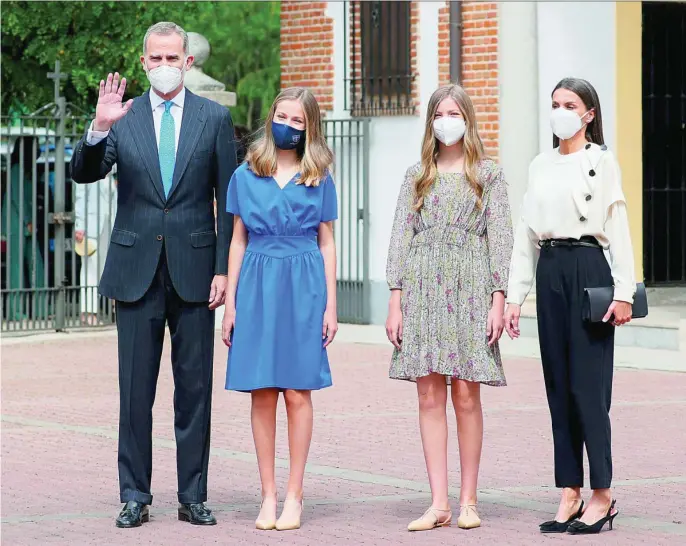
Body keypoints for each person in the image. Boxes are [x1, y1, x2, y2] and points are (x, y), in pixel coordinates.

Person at [70, 21, 237, 528]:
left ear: (188, 62)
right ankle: (135, 494)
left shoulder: (214, 118)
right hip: (136, 269)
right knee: (135, 391)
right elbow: (84, 170)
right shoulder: (123, 117)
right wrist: (98, 128)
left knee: (194, 391)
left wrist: (224, 271)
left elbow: (228, 203)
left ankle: (193, 495)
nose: (165, 66)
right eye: (156, 59)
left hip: (195, 271)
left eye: (173, 58)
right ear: (144, 63)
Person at [504, 77, 633, 534]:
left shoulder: (601, 162)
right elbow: (525, 234)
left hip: (589, 267)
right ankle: (569, 490)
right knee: (558, 386)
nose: (560, 110)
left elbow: (617, 223)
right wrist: (515, 296)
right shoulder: (540, 165)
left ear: (589, 114)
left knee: (589, 389)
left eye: (570, 104)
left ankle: (602, 494)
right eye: (555, 103)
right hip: (551, 270)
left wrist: (623, 291)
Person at [385, 84, 513, 532]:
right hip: (422, 286)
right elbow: (401, 233)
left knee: (465, 391)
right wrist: (395, 297)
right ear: (430, 122)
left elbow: (501, 238)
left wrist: (499, 297)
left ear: (468, 119)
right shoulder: (416, 173)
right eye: (439, 113)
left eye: (455, 112)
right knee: (428, 392)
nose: (447, 121)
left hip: (472, 285)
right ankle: (438, 502)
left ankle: (469, 500)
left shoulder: (489, 174)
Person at [221, 87, 338, 531]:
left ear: (310, 127)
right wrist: (230, 303)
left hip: (304, 281)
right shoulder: (245, 174)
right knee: (263, 390)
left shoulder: (320, 176)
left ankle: (295, 494)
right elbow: (237, 239)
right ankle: (267, 495)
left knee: (297, 390)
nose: (287, 125)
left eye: (298, 120)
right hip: (257, 281)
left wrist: (331, 305)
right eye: (281, 116)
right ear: (271, 118)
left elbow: (327, 242)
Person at [74, 166, 117, 325]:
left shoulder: (110, 176)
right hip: (90, 227)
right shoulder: (86, 170)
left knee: (107, 267)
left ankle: (112, 308)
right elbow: (80, 198)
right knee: (90, 268)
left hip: (108, 226)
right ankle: (87, 312)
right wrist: (79, 225)